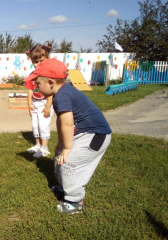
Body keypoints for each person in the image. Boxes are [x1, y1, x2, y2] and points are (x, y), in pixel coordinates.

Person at [24, 58, 112, 214]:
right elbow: (61, 121)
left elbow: (68, 124)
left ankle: (75, 201)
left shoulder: (62, 96)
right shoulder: (62, 93)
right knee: (60, 157)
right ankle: (64, 186)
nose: (36, 87)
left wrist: (68, 148)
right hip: (85, 133)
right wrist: (60, 143)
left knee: (68, 162)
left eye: (38, 83)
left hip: (96, 136)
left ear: (50, 83)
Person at [25, 42, 53, 158]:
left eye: (41, 61)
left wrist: (47, 106)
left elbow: (51, 92)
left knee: (43, 126)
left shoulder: (49, 75)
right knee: (35, 126)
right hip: (35, 104)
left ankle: (45, 148)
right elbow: (30, 91)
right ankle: (38, 145)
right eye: (36, 62)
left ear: (48, 59)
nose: (38, 64)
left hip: (44, 104)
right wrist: (30, 104)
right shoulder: (32, 75)